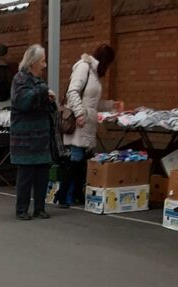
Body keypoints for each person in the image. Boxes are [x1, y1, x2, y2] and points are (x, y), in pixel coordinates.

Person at [57, 45, 123, 208]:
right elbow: (72, 92)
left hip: (86, 120)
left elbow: (92, 103)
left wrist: (111, 105)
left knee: (79, 159)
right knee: (75, 158)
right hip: (80, 121)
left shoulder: (93, 72)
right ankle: (63, 195)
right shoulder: (84, 67)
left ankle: (72, 194)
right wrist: (79, 114)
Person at [10, 44, 55, 221]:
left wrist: (50, 100)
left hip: (41, 137)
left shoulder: (39, 81)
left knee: (42, 175)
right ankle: (21, 210)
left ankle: (39, 208)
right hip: (25, 139)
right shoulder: (19, 79)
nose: (45, 65)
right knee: (26, 176)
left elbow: (45, 105)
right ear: (33, 63)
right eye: (42, 61)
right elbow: (24, 102)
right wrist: (44, 92)